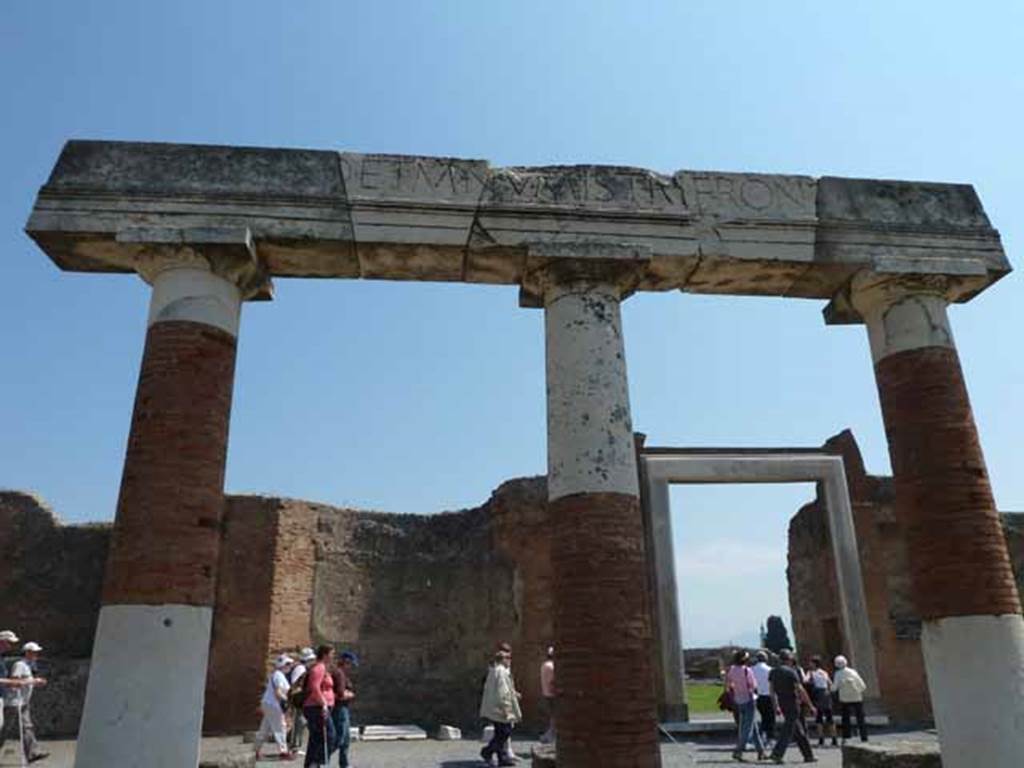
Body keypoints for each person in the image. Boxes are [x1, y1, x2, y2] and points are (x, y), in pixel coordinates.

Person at [769, 650, 816, 764]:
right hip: (793, 703)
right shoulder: (791, 672)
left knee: (798, 731)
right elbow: (800, 690)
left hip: (782, 703)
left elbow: (771, 691)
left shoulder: (773, 672)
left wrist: (776, 706)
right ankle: (777, 753)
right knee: (788, 730)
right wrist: (810, 705)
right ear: (789, 660)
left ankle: (808, 755)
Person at [5, 641, 48, 764]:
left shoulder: (30, 665)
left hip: (23, 702)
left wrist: (35, 681)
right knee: (4, 730)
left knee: (27, 727)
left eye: (37, 652)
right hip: (13, 702)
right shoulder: (20, 665)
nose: (37, 654)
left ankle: (33, 753)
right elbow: (14, 682)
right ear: (27, 653)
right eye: (34, 652)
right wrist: (34, 682)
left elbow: (27, 680)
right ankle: (32, 753)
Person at [479, 648, 521, 767]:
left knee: (500, 733)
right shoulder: (502, 672)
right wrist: (507, 709)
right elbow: (503, 692)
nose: (510, 661)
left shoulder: (493, 670)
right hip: (500, 709)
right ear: (503, 660)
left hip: (494, 708)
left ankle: (501, 758)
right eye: (508, 658)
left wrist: (514, 693)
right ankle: (487, 751)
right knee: (505, 732)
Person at [725, 650, 766, 762]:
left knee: (753, 726)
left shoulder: (732, 670)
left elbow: (728, 686)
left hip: (738, 700)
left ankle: (761, 751)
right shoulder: (747, 671)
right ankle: (738, 750)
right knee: (747, 728)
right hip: (749, 700)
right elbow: (753, 685)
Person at [255, 654, 295, 761]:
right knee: (281, 727)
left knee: (265, 728)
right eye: (289, 664)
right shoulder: (279, 675)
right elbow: (278, 692)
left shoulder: (276, 674)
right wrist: (287, 700)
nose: (290, 666)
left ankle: (256, 751)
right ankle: (283, 751)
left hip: (269, 703)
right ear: (284, 665)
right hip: (274, 704)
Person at [303, 645, 337, 768]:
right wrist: (323, 704)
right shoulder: (319, 668)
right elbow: (314, 687)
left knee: (315, 739)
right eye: (332, 653)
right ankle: (317, 762)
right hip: (316, 707)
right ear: (325, 654)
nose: (333, 656)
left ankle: (311, 764)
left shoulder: (323, 668)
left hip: (317, 707)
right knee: (331, 736)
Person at [330, 651, 358, 768]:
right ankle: (320, 759)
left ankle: (344, 764)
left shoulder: (340, 673)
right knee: (339, 738)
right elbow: (340, 693)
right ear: (346, 662)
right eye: (351, 664)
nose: (351, 667)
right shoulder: (339, 674)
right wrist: (350, 694)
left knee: (345, 739)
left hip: (342, 708)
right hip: (340, 708)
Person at [831, 656, 868, 744]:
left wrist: (831, 687)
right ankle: (864, 736)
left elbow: (834, 688)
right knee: (860, 718)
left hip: (845, 699)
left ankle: (847, 737)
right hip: (857, 697)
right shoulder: (853, 672)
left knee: (846, 719)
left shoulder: (838, 673)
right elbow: (862, 686)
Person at [289, 647, 317, 755]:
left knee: (301, 722)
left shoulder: (302, 668)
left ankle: (295, 745)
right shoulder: (300, 669)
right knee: (299, 722)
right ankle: (294, 747)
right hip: (299, 700)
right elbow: (295, 684)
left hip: (301, 699)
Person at [806, 656, 836, 747]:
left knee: (819, 717)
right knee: (829, 717)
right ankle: (834, 738)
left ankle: (821, 738)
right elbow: (830, 683)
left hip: (818, 694)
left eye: (811, 662)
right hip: (826, 694)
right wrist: (829, 691)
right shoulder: (824, 672)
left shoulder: (810, 672)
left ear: (814, 664)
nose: (809, 664)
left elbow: (805, 680)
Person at [751, 651, 775, 744]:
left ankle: (761, 735)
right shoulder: (770, 670)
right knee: (770, 717)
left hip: (757, 696)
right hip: (768, 695)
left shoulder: (752, 669)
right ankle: (770, 737)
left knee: (763, 716)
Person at [539, 646, 555, 744]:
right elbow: (553, 681)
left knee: (553, 716)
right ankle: (549, 736)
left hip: (546, 693)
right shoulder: (551, 666)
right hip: (552, 694)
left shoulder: (544, 665)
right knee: (555, 717)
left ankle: (548, 735)